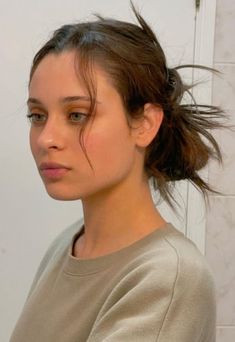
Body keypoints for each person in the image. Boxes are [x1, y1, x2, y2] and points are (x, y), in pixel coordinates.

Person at [10, 4, 223, 342]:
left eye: (77, 115)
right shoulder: (68, 244)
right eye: (37, 116)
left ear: (145, 124)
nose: (47, 138)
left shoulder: (167, 278)